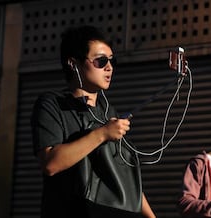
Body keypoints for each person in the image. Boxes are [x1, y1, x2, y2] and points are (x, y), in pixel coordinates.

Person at [30, 25, 155, 218]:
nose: (109, 67)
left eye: (112, 61)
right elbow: (50, 163)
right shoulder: (52, 104)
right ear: (73, 63)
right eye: (100, 61)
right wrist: (102, 134)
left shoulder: (108, 113)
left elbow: (124, 178)